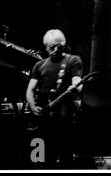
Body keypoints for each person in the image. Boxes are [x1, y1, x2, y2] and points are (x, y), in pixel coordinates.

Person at [26, 29, 83, 168]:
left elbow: (78, 82)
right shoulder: (39, 65)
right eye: (51, 47)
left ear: (64, 44)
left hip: (64, 113)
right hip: (45, 113)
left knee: (65, 152)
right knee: (45, 154)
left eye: (59, 45)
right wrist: (33, 106)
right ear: (46, 48)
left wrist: (75, 87)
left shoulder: (73, 60)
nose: (56, 49)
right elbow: (30, 89)